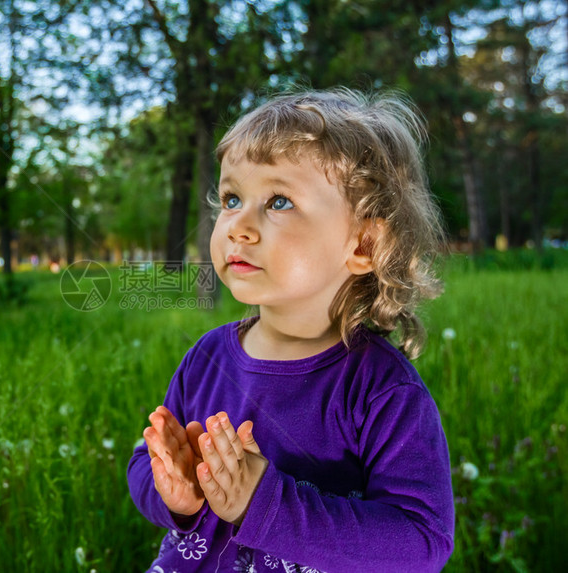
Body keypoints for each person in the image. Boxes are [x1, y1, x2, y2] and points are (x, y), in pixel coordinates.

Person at [127, 88, 454, 572]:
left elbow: (421, 541)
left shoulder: (380, 388)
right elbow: (144, 454)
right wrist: (173, 492)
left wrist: (264, 502)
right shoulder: (208, 356)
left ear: (363, 243)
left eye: (279, 201)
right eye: (232, 197)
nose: (238, 224)